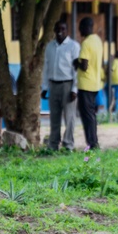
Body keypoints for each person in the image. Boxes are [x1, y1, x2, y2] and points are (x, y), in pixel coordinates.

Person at [41, 20, 80, 151]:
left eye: (63, 29)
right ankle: (53, 145)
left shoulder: (73, 46)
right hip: (53, 85)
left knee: (69, 117)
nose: (60, 31)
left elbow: (76, 70)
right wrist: (45, 87)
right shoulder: (50, 47)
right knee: (54, 117)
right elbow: (46, 67)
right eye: (57, 29)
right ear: (54, 30)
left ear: (67, 31)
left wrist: (74, 89)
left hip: (67, 85)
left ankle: (68, 144)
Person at [76, 17, 103, 150]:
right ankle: (93, 142)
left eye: (80, 27)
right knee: (91, 114)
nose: (79, 30)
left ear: (86, 27)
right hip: (95, 83)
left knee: (87, 116)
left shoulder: (86, 43)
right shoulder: (97, 40)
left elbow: (84, 65)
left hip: (85, 84)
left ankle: (93, 143)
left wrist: (76, 62)